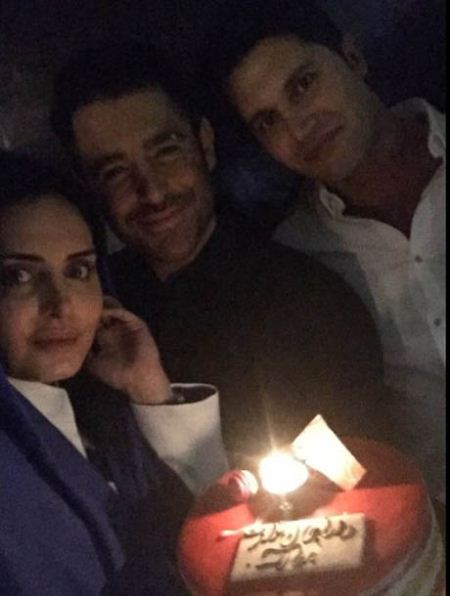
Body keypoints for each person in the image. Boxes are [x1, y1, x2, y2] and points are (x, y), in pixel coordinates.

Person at [50, 40, 396, 468]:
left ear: (206, 144)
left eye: (166, 150)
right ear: (88, 187)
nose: (152, 191)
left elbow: (360, 483)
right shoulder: (79, 321)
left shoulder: (313, 304)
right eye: (115, 172)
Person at [200, 0, 445, 500]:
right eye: (268, 122)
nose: (298, 127)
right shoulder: (297, 259)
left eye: (303, 85)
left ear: (353, 57)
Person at [0, 151, 228, 595]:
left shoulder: (94, 419)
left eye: (78, 270)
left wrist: (150, 391)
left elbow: (222, 539)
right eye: (18, 277)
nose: (61, 305)